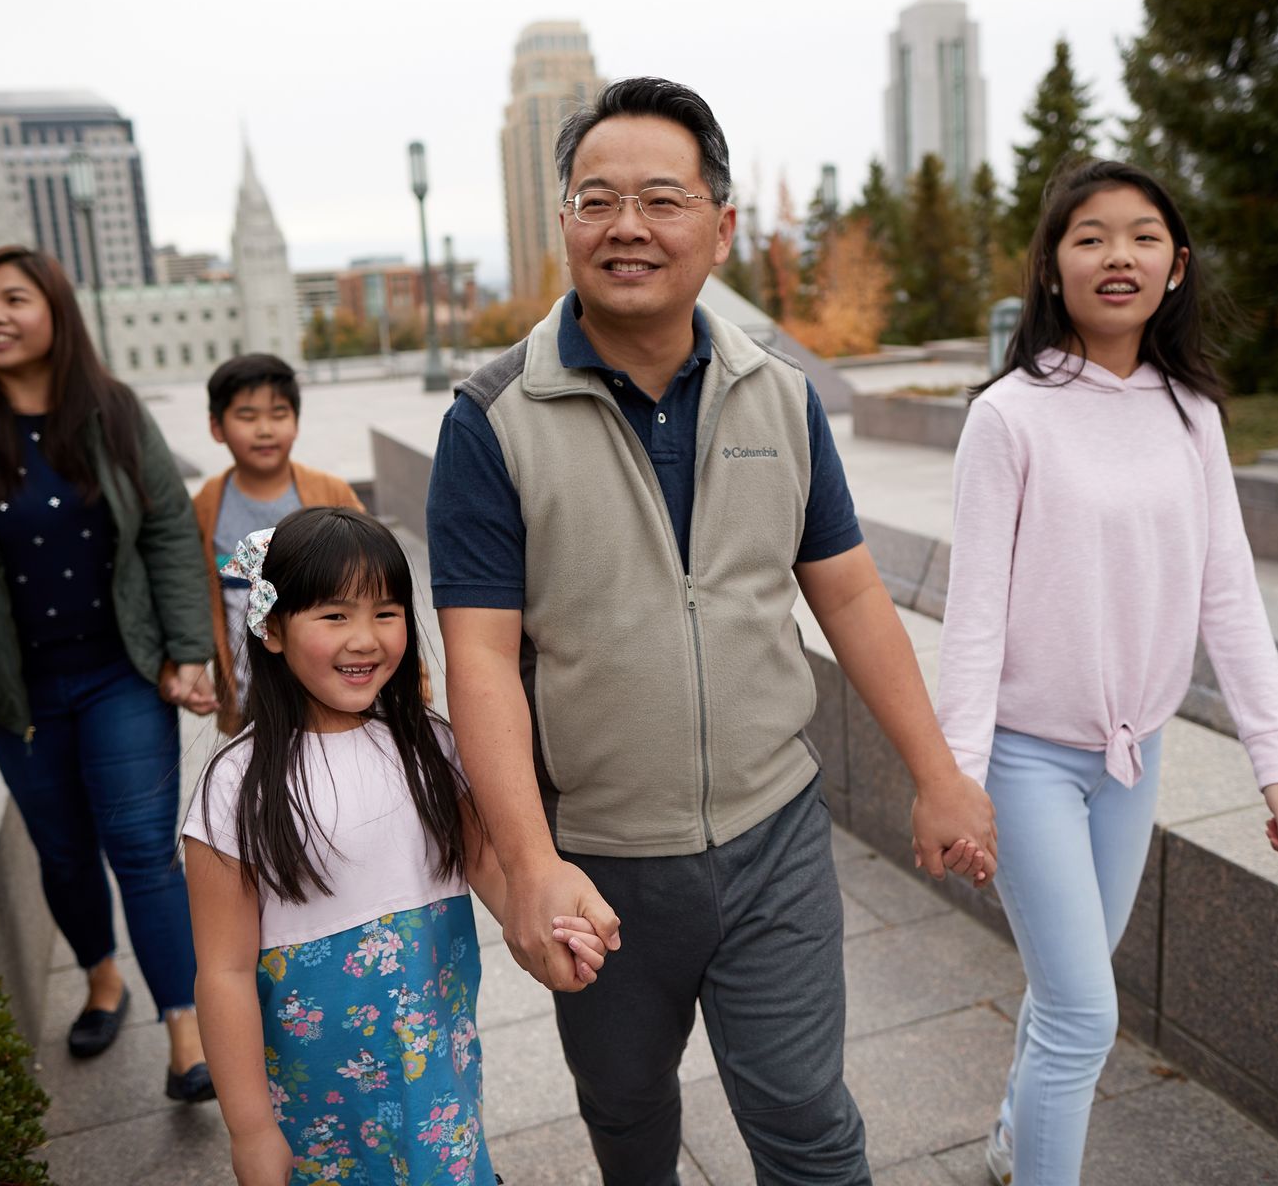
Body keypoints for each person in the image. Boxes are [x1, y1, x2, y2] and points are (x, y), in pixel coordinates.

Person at [426, 76, 997, 1186]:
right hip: (601, 855)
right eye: (596, 199)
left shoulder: (778, 393)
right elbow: (480, 659)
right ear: (563, 225)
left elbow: (851, 594)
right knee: (629, 1116)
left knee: (807, 1116)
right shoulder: (491, 420)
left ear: (720, 226)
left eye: (661, 198)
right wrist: (533, 866)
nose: (627, 226)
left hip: (774, 834)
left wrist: (938, 772)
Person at [933, 159, 1278, 1186]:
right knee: (1082, 1012)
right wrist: (958, 775)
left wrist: (1277, 756)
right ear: (1053, 269)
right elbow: (972, 613)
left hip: (1131, 756)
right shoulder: (1009, 416)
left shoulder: (1192, 413)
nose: (1119, 255)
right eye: (1090, 235)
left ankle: (1017, 1137)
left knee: (1070, 987)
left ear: (1177, 266)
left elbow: (1226, 591)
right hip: (1024, 759)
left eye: (1143, 235)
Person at [0, 245, 221, 1101]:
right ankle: (102, 978)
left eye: (16, 299)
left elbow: (169, 532)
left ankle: (186, 1037)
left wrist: (187, 648)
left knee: (143, 850)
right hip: (14, 693)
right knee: (64, 854)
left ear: (55, 312)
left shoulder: (110, 411)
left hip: (119, 674)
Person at [183, 507, 608, 1185]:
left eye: (386, 612)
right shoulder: (234, 788)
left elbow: (489, 865)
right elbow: (224, 974)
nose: (365, 638)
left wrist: (549, 933)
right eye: (334, 615)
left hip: (437, 1081)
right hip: (314, 1115)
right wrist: (252, 1130)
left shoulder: (433, 748)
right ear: (271, 629)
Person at [192, 352, 365, 735]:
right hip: (249, 703)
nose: (265, 429)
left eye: (279, 414)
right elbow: (189, 591)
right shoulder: (207, 505)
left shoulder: (327, 492)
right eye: (248, 417)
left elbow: (377, 581)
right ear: (216, 427)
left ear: (296, 422)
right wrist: (184, 664)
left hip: (330, 697)